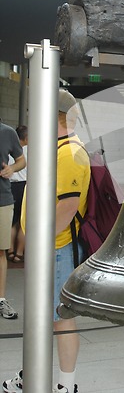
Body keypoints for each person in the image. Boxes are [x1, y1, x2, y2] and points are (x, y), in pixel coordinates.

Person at [3, 89, 90, 393]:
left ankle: (66, 385)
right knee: (46, 318)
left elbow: (66, 209)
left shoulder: (69, 152)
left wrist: (39, 244)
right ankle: (33, 373)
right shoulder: (59, 148)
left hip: (56, 249)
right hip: (49, 249)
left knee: (60, 319)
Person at [0, 119, 26, 320]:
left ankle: (1, 300)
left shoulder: (7, 132)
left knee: (1, 251)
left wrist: (12, 169)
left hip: (3, 199)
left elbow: (21, 160)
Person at [7, 125, 28, 263]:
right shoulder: (30, 150)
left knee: (11, 221)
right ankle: (19, 253)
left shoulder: (9, 149)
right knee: (23, 223)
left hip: (9, 187)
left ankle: (9, 251)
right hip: (24, 187)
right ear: (26, 137)